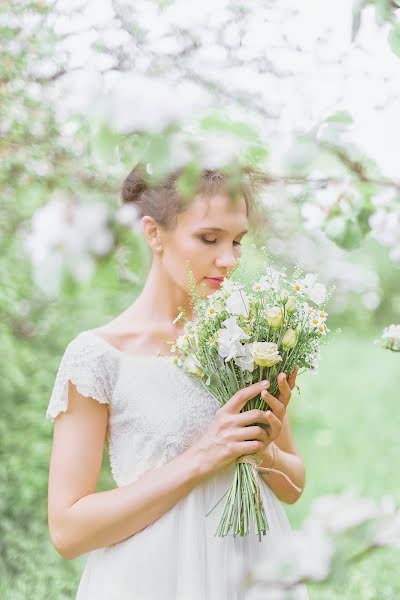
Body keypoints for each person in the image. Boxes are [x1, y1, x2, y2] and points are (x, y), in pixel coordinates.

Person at [46, 164, 308, 599]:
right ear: (154, 234)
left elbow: (294, 486)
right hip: (153, 580)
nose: (229, 259)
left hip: (253, 575)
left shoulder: (253, 339)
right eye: (209, 239)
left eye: (238, 241)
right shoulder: (98, 357)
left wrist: (265, 452)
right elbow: (68, 530)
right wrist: (203, 457)